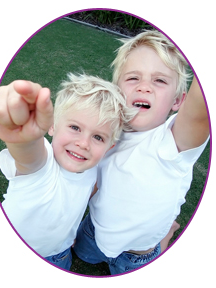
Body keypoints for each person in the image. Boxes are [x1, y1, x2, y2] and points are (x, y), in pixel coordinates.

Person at [73, 30, 210, 275]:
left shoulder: (173, 143)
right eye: (133, 78)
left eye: (159, 81)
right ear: (117, 91)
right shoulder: (105, 129)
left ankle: (166, 235)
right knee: (81, 255)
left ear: (178, 101)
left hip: (137, 255)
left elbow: (201, 108)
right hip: (94, 231)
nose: (144, 87)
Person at [0, 73, 136, 271]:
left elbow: (78, 198)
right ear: (52, 125)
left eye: (98, 137)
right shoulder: (43, 163)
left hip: (58, 254)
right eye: (75, 127)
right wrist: (22, 136)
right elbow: (29, 154)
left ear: (110, 147)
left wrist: (67, 235)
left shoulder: (91, 169)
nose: (83, 143)